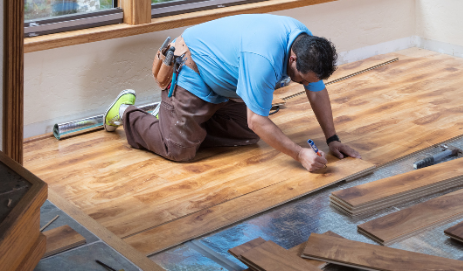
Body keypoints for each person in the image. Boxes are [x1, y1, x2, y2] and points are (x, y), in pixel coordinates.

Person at [104, 14, 361, 172]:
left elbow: (316, 91)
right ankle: (127, 112)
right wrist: (299, 154)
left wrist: (333, 139)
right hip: (192, 70)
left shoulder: (306, 45)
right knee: (179, 149)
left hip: (224, 83)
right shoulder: (264, 58)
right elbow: (257, 119)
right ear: (292, 59)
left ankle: (175, 119)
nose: (305, 84)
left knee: (248, 135)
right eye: (302, 80)